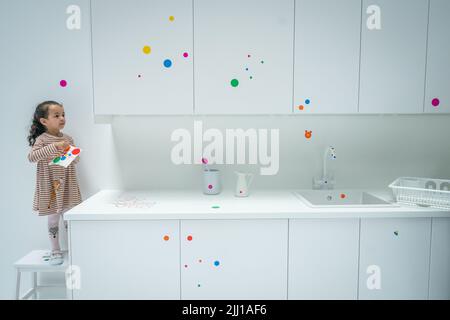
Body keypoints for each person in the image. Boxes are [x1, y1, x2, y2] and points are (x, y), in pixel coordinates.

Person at [27, 101, 82, 265]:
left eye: (63, 114)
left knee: (69, 218)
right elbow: (32, 157)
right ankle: (55, 250)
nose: (62, 118)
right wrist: (55, 146)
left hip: (67, 185)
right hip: (50, 186)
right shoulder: (42, 140)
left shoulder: (68, 138)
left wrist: (69, 151)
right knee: (53, 220)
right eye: (57, 115)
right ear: (44, 121)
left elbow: (76, 160)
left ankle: (75, 249)